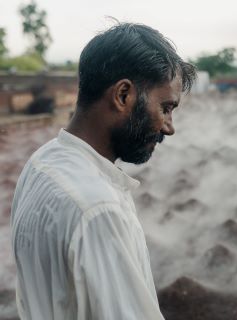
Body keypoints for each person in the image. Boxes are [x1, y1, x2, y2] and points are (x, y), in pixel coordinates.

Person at [10, 22, 196, 319]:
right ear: (123, 95)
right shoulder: (99, 210)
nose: (168, 127)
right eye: (166, 107)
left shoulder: (41, 162)